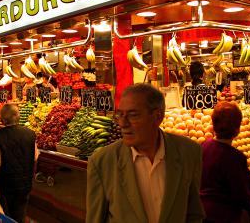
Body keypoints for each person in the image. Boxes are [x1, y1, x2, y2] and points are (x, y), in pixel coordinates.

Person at [86, 83, 204, 223]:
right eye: (120, 114)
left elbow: (194, 213)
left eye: (133, 115)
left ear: (157, 117)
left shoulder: (189, 152)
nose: (122, 123)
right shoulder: (102, 162)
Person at [200, 101, 250, 223]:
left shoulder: (203, 146)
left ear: (213, 125)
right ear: (237, 129)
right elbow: (242, 194)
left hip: (202, 213)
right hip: (225, 216)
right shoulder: (235, 157)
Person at [0, 104, 39, 223]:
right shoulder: (30, 134)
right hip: (25, 184)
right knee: (21, 213)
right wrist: (31, 176)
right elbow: (35, 159)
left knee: (6, 216)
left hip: (6, 186)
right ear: (17, 116)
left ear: (2, 120)